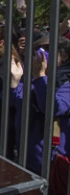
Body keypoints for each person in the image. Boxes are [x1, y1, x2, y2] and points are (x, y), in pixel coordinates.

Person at [10, 38, 70, 195]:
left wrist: (40, 77)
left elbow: (54, 108)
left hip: (49, 158)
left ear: (63, 56)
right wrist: (14, 82)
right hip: (25, 151)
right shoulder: (32, 75)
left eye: (47, 50)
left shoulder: (66, 81)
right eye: (37, 50)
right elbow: (13, 101)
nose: (40, 55)